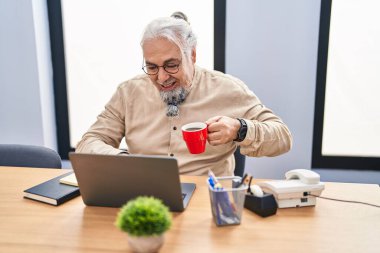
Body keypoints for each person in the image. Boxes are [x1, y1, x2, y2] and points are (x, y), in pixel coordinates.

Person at [76, 12, 292, 176]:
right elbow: (89, 142)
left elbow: (282, 137)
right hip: (147, 200)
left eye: (171, 65)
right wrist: (125, 161)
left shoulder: (228, 89)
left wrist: (240, 129)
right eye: (152, 67)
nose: (161, 78)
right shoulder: (129, 92)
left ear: (193, 55)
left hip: (208, 203)